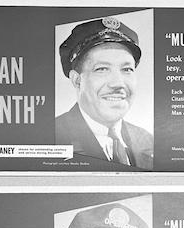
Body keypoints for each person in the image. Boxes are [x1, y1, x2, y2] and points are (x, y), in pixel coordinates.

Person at [56, 17, 153, 169]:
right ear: (77, 80)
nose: (118, 83)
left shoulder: (148, 141)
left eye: (127, 69)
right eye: (102, 69)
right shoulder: (51, 138)